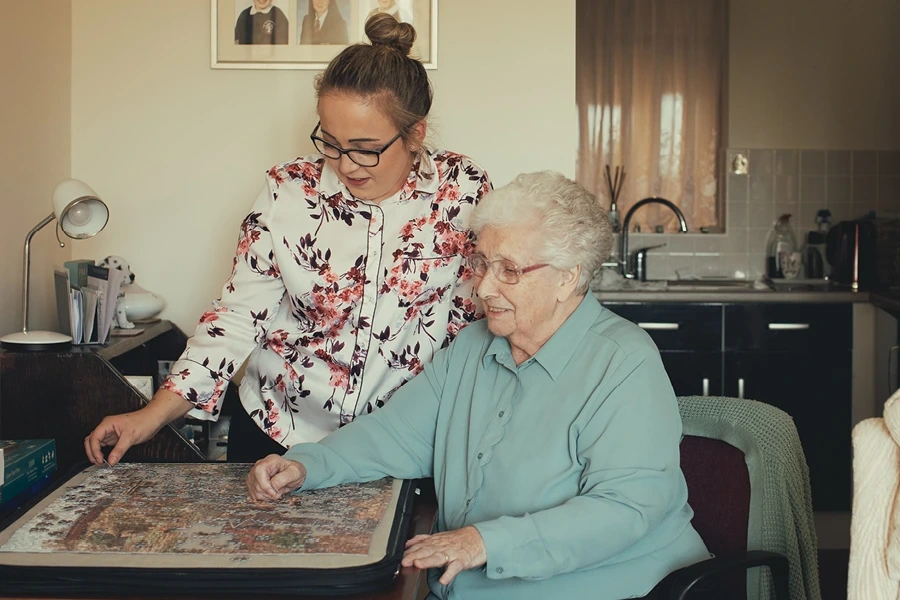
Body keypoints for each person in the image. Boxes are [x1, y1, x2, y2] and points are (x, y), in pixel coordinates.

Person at [247, 172, 710, 600]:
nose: (484, 287)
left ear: (567, 278)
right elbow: (394, 435)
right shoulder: (472, 347)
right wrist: (308, 466)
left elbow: (626, 508)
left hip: (608, 587)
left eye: (509, 270)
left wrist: (482, 542)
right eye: (482, 263)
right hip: (463, 586)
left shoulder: (623, 362)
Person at [85, 13, 491, 467]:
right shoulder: (287, 191)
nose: (345, 164)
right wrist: (151, 417)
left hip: (400, 443)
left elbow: (472, 322)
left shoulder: (464, 190)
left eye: (365, 147)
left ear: (415, 133)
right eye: (330, 142)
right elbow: (238, 318)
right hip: (278, 435)